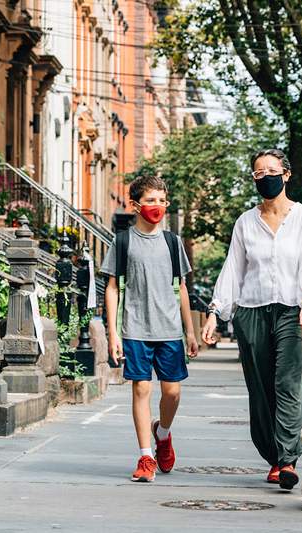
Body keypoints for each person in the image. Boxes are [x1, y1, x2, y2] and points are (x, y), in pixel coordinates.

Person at [201, 148, 302, 490]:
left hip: (292, 310)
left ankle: (287, 459)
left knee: (287, 384)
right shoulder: (245, 222)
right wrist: (215, 313)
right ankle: (273, 454)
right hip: (252, 312)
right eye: (258, 173)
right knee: (261, 388)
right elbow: (233, 270)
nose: (265, 176)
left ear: (286, 174)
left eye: (271, 170)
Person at [102, 175, 199, 483]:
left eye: (161, 200)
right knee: (142, 389)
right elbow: (112, 287)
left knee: (172, 392)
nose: (156, 206)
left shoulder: (172, 243)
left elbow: (181, 288)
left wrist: (191, 331)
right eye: (150, 200)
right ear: (135, 205)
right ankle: (146, 456)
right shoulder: (124, 241)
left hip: (169, 329)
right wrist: (113, 333)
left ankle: (163, 433)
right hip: (135, 328)